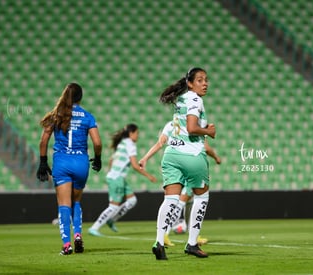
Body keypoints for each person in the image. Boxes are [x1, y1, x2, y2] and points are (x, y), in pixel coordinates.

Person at [149, 67, 216, 260]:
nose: (205, 83)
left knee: (170, 200)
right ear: (189, 83)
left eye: (206, 80)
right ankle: (192, 244)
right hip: (191, 155)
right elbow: (192, 128)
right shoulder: (196, 99)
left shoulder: (181, 99)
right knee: (202, 197)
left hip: (171, 155)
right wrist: (209, 132)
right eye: (200, 80)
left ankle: (159, 242)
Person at [37, 83, 102, 255]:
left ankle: (67, 245)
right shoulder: (88, 116)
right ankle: (78, 235)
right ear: (80, 97)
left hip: (62, 163)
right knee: (76, 201)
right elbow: (97, 143)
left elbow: (43, 142)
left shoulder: (56, 115)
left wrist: (43, 162)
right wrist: (99, 159)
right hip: (81, 163)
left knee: (64, 204)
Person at [139, 120, 221, 247]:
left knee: (185, 200)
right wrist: (216, 157)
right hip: (191, 161)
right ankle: (169, 233)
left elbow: (160, 143)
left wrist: (145, 158)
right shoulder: (195, 125)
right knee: (186, 199)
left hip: (173, 161)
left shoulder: (172, 124)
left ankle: (186, 235)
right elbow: (206, 147)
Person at [88, 123, 157, 236]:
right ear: (131, 133)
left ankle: (111, 220)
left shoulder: (122, 143)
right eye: (137, 133)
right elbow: (135, 165)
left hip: (116, 177)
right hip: (117, 178)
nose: (138, 136)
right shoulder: (130, 145)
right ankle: (94, 227)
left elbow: (111, 160)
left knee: (132, 200)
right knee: (114, 206)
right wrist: (148, 175)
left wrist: (111, 172)